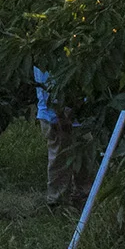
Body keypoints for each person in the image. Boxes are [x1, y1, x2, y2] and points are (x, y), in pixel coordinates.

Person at [34, 67, 87, 208]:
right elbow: (51, 87)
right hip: (57, 117)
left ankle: (80, 198)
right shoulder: (49, 54)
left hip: (73, 115)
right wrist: (60, 114)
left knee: (81, 159)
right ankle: (57, 202)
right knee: (60, 159)